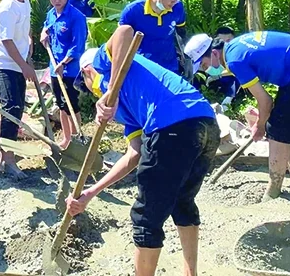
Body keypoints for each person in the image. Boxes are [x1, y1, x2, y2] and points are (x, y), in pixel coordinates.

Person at [67, 25, 218, 276]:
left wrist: (110, 93)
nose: (92, 90)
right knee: (182, 202)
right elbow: (134, 154)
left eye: (85, 82)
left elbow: (125, 31)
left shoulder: (104, 63)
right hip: (204, 125)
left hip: (173, 124)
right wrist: (90, 193)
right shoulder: (130, 108)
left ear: (86, 71)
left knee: (146, 215)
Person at [192, 31, 290, 200]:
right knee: (287, 129)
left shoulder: (235, 60)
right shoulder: (234, 48)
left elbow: (265, 101)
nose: (208, 71)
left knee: (276, 130)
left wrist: (260, 126)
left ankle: (273, 191)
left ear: (214, 53)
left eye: (205, 65)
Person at [0, 0, 35, 180]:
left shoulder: (24, 3)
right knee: (11, 107)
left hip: (18, 63)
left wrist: (29, 56)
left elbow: (25, 31)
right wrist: (23, 65)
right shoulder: (6, 8)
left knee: (17, 110)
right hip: (2, 65)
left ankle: (5, 158)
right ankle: (8, 159)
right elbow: (6, 41)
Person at [40, 0, 87, 149]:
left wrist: (64, 63)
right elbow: (46, 29)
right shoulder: (51, 14)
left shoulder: (76, 17)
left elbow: (77, 46)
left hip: (70, 70)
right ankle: (66, 139)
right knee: (60, 104)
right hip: (54, 68)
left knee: (71, 105)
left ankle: (77, 141)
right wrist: (43, 33)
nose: (57, 0)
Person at [119, 0, 188, 73]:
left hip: (170, 67)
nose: (175, 1)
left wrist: (187, 58)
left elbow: (181, 33)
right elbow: (121, 42)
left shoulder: (178, 7)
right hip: (142, 68)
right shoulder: (132, 11)